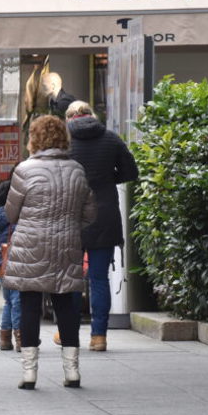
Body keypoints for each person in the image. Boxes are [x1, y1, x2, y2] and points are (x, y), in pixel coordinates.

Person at [2, 115, 95, 390]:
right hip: (66, 244)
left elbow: (10, 212)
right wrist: (68, 225)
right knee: (66, 307)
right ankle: (72, 371)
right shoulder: (77, 170)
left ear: (34, 139)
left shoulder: (24, 169)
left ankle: (30, 373)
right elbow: (90, 213)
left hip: (31, 245)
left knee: (30, 305)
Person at [65, 101, 138, 352]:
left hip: (72, 216)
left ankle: (69, 332)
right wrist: (107, 179)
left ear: (70, 117)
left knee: (72, 279)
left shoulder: (64, 141)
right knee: (99, 278)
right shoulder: (111, 138)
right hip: (104, 215)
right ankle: (99, 336)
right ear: (91, 115)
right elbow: (131, 172)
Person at [0, 180, 20, 352]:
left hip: (1, 264)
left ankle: (4, 338)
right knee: (18, 301)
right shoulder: (17, 215)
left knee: (8, 301)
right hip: (15, 262)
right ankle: (21, 336)